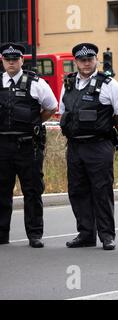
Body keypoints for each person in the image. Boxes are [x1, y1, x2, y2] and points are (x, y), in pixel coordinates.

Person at [60, 43, 118, 251]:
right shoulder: (69, 84)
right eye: (82, 60)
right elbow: (63, 111)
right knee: (77, 191)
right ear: (76, 62)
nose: (86, 63)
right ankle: (86, 234)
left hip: (99, 145)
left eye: (90, 59)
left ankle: (107, 235)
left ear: (96, 60)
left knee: (101, 190)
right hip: (75, 146)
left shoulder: (109, 84)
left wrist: (105, 124)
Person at [0, 43, 57, 248]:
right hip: (2, 146)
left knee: (32, 191)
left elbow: (51, 107)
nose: (12, 62)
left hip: (27, 146)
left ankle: (34, 234)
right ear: (3, 60)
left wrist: (34, 123)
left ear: (22, 60)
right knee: (2, 191)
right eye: (8, 59)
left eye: (15, 59)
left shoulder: (36, 82)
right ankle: (2, 234)